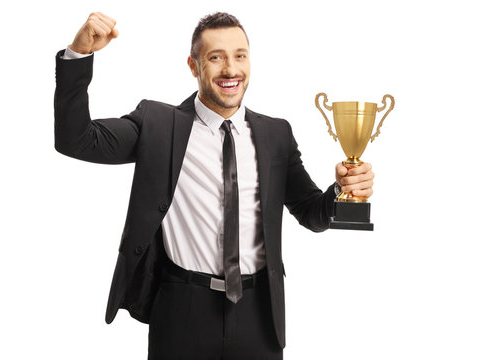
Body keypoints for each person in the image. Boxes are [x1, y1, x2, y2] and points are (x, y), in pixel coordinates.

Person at [54, 11, 374, 359]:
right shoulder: (160, 125)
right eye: (216, 57)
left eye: (239, 55)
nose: (230, 69)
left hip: (259, 313)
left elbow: (312, 214)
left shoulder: (276, 134)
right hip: (183, 309)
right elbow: (77, 140)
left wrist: (342, 188)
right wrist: (79, 54)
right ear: (193, 66)